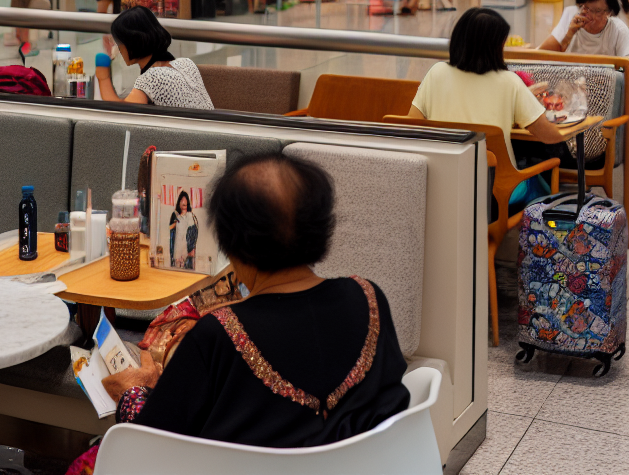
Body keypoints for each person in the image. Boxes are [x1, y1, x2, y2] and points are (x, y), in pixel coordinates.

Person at [96, 151, 408, 450]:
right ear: (321, 229)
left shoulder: (216, 336)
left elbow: (150, 446)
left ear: (231, 243)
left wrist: (132, 395)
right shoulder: (369, 299)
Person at [538, 0, 629, 232]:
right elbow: (543, 54)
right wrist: (570, 32)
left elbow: (628, 72)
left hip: (604, 104)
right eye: (587, 8)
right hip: (566, 102)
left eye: (598, 11)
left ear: (610, 12)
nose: (591, 16)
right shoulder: (572, 15)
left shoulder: (617, 29)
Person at [406, 7, 566, 168]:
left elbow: (412, 125)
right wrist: (573, 130)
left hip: (443, 177)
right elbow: (548, 135)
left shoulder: (436, 73)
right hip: (498, 185)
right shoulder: (509, 82)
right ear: (493, 48)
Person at [96, 5, 214, 109]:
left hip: (188, 134)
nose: (119, 47)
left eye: (119, 42)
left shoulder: (153, 78)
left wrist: (103, 77)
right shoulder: (185, 63)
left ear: (133, 43)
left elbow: (122, 115)